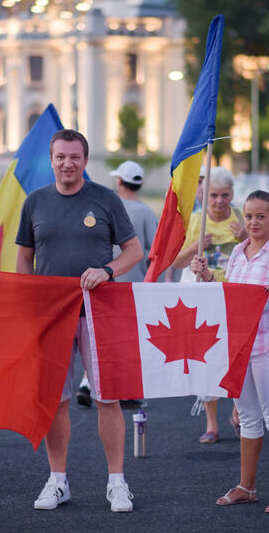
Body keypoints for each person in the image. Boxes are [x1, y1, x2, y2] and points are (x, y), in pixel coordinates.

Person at [16, 129, 142, 513]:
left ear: (86, 161)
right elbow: (24, 257)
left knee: (108, 399)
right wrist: (28, 296)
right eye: (60, 157)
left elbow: (134, 251)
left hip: (98, 315)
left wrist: (107, 270)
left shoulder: (106, 199)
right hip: (51, 317)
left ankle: (117, 483)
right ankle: (58, 481)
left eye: (75, 157)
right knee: (56, 401)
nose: (67, 163)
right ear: (51, 160)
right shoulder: (35, 202)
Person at [191, 190, 269, 514]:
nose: (253, 222)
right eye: (249, 216)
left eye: (260, 216)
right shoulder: (238, 252)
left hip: (268, 347)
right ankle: (246, 486)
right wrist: (208, 275)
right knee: (249, 419)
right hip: (238, 348)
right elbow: (229, 295)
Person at [173, 166, 246, 443]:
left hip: (234, 298)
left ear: (232, 195)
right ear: (204, 195)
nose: (219, 201)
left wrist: (244, 239)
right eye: (214, 195)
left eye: (225, 195)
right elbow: (175, 262)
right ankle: (212, 424)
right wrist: (195, 247)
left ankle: (239, 413)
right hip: (201, 300)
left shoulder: (242, 218)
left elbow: (262, 251)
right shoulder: (194, 220)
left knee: (237, 356)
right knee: (206, 358)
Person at [77, 160, 158, 408]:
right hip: (132, 283)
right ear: (140, 183)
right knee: (124, 339)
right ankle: (120, 389)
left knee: (98, 336)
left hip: (103, 280)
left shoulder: (105, 205)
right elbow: (153, 249)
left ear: (120, 181)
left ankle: (87, 382)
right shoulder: (145, 212)